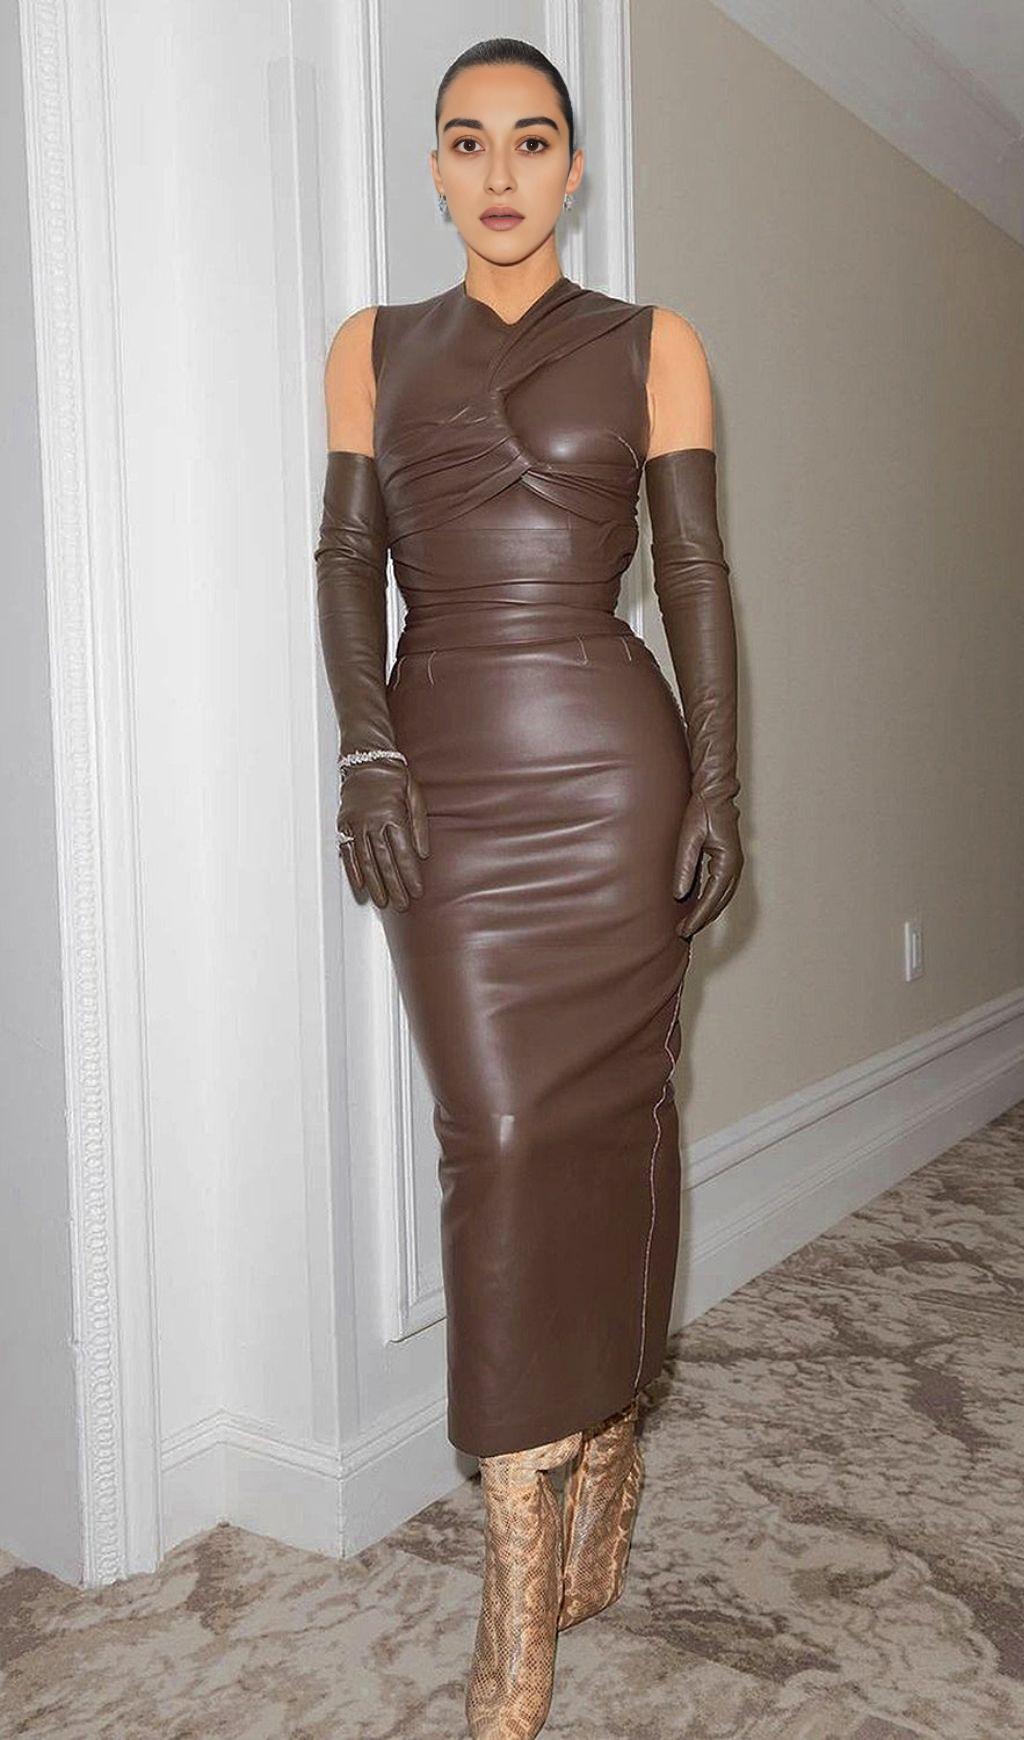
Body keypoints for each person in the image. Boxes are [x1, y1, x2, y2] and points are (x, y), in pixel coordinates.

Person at [314, 36, 742, 1740]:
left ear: (575, 168)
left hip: (612, 771)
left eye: (533, 140)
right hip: (450, 782)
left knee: (619, 1109)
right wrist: (366, 751)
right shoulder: (371, 347)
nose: (500, 173)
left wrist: (718, 782)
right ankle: (519, 1542)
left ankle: (610, 1432)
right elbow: (348, 559)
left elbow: (694, 573)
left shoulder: (654, 344)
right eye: (468, 141)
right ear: (435, 168)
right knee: (494, 1134)